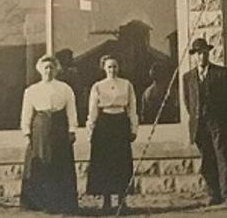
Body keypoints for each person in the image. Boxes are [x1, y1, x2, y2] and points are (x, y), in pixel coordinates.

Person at [182, 37, 227, 207]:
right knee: (208, 160)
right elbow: (188, 102)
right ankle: (214, 194)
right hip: (200, 125)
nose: (202, 56)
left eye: (205, 52)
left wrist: (226, 118)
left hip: (219, 123)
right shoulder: (188, 77)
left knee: (223, 159)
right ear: (194, 56)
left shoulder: (222, 73)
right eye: (199, 53)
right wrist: (197, 117)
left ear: (209, 53)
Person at [19, 54, 79, 214]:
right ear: (40, 70)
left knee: (59, 162)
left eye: (51, 67)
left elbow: (71, 111)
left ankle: (61, 202)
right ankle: (39, 202)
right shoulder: (31, 90)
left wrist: (72, 130)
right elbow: (26, 114)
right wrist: (26, 132)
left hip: (59, 126)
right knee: (40, 163)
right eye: (45, 67)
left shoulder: (65, 88)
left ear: (56, 69)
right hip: (40, 128)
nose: (48, 70)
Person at [87, 55, 138, 213]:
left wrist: (133, 128)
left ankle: (122, 200)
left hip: (120, 124)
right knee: (105, 162)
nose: (112, 70)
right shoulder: (98, 86)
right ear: (104, 68)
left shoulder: (126, 84)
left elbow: (132, 108)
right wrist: (91, 129)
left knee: (121, 162)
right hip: (104, 125)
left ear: (119, 67)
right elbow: (93, 109)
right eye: (109, 67)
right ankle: (107, 200)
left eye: (115, 66)